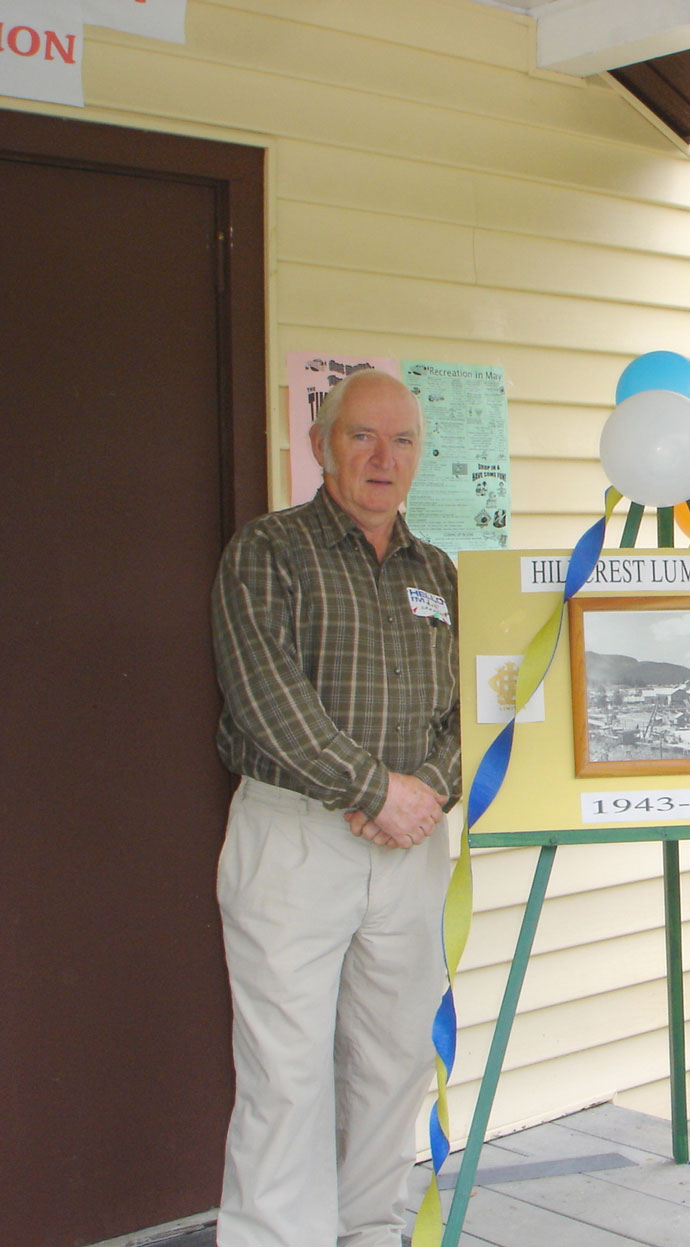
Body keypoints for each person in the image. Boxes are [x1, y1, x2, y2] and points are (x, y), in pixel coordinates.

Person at [211, 368, 460, 1246]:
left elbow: (471, 709)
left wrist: (426, 789)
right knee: (286, 1074)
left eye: (401, 440)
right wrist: (373, 791)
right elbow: (265, 697)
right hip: (297, 840)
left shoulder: (440, 573)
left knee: (391, 1061)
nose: (383, 458)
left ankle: (366, 1231)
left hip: (412, 843)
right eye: (362, 436)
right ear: (322, 446)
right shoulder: (267, 552)